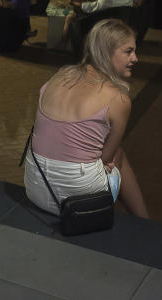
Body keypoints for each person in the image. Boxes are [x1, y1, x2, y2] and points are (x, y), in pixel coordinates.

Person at [24, 19, 149, 218]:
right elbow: (107, 157)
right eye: (128, 51)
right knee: (119, 155)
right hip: (78, 201)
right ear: (106, 52)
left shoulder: (60, 74)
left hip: (35, 187)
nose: (135, 58)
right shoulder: (118, 99)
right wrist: (101, 161)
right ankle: (144, 222)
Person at [62, 0, 153, 44]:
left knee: (70, 17)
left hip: (95, 23)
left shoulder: (107, 0)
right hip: (116, 23)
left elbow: (89, 8)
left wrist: (73, 2)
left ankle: (63, 43)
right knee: (79, 1)